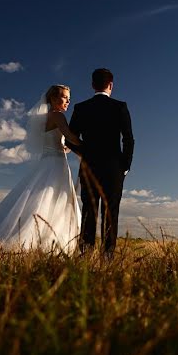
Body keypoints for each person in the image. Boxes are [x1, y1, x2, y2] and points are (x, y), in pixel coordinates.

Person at [0, 85, 82, 252]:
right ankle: (46, 242)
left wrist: (68, 148)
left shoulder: (44, 119)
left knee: (38, 199)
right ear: (53, 99)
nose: (68, 101)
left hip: (48, 162)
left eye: (69, 98)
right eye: (64, 97)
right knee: (55, 201)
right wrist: (89, 146)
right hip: (57, 164)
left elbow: (58, 144)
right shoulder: (58, 116)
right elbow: (70, 137)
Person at [69, 68, 134, 257]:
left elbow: (70, 139)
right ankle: (107, 255)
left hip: (89, 166)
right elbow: (128, 139)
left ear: (92, 85)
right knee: (111, 212)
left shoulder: (81, 108)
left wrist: (85, 153)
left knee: (89, 210)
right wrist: (125, 166)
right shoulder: (120, 106)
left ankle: (86, 253)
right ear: (111, 85)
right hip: (115, 169)